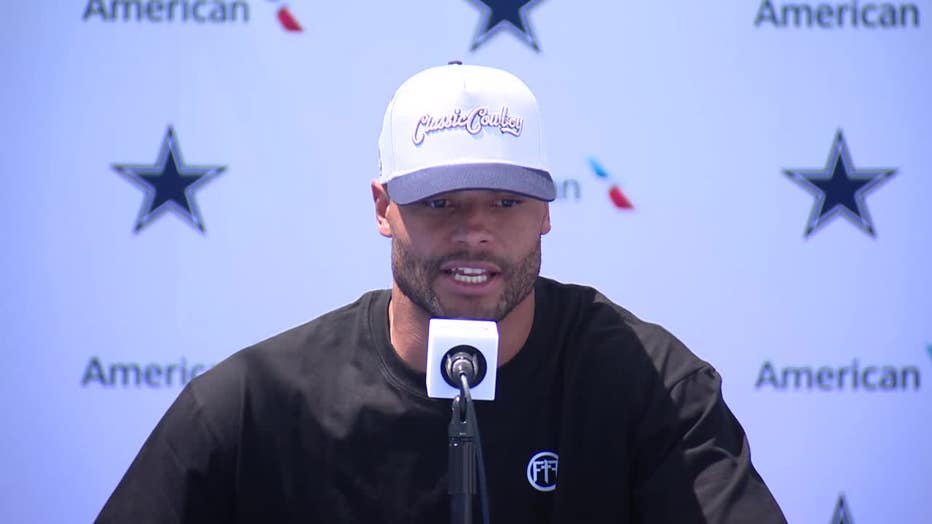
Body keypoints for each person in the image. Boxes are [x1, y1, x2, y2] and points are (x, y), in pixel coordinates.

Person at [96, 62, 786, 523]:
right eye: (440, 202)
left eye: (507, 202)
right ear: (383, 208)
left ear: (547, 211)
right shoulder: (255, 405)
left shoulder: (653, 386)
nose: (475, 232)